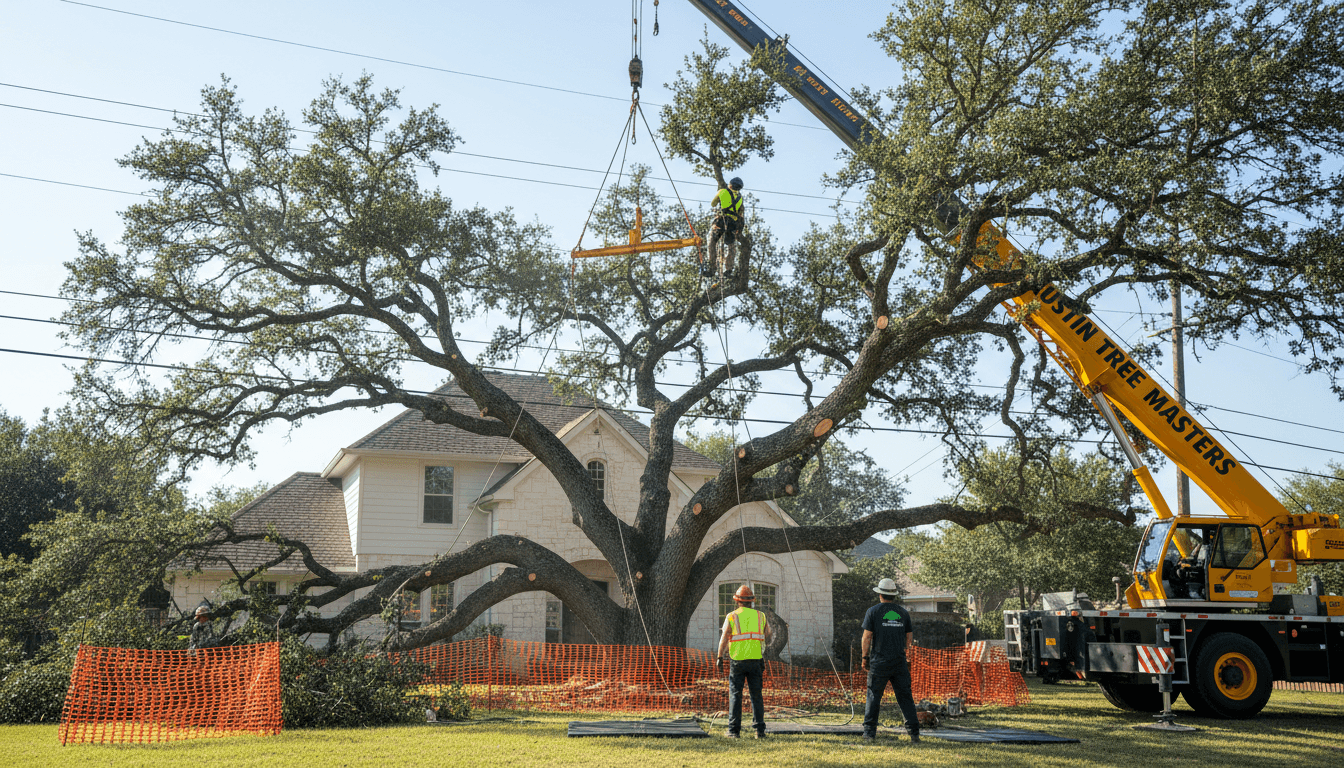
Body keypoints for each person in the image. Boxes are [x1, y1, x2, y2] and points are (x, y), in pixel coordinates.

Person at [861, 578, 919, 743]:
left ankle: (869, 734)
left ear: (880, 594)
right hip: (899, 662)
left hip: (879, 662)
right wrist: (906, 655)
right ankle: (914, 734)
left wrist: (865, 658)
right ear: (893, 595)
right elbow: (909, 638)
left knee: (873, 696)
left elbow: (867, 637)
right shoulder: (903, 613)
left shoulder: (872, 612)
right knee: (905, 697)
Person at [715, 583, 772, 738]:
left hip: (738, 661)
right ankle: (759, 730)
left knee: (735, 694)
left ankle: (733, 731)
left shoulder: (732, 616)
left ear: (737, 601)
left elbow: (724, 637)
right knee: (756, 695)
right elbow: (768, 633)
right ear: (751, 601)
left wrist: (720, 656)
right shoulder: (761, 616)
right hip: (756, 660)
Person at [706, 177, 744, 276]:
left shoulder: (722, 191)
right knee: (731, 246)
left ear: (730, 185)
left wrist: (720, 198)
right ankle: (729, 270)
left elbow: (713, 204)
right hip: (733, 224)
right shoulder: (740, 197)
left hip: (721, 221)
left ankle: (712, 268)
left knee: (712, 242)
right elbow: (740, 211)